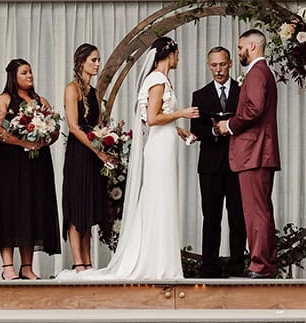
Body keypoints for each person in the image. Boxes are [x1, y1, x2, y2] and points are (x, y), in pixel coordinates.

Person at [75, 36, 200, 281]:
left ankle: (160, 260)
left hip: (163, 144)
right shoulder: (157, 79)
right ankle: (157, 263)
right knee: (159, 199)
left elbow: (152, 119)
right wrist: (182, 113)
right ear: (170, 53)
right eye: (177, 53)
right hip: (159, 151)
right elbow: (153, 118)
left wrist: (178, 129)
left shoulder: (160, 79)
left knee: (160, 200)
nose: (179, 58)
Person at [0, 58, 62, 279]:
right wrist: (22, 142)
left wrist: (45, 137)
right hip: (7, 164)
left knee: (31, 208)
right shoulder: (4, 99)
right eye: (24, 73)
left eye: (30, 72)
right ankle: (7, 267)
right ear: (13, 77)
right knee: (7, 209)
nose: (29, 76)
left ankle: (27, 266)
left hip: (36, 164)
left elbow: (55, 129)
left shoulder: (40, 100)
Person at [217, 28, 280, 278]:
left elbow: (254, 108)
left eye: (241, 47)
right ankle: (264, 263)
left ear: (253, 47)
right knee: (260, 210)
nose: (239, 51)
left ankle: (260, 265)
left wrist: (229, 125)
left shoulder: (256, 73)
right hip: (259, 151)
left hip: (255, 152)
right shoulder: (262, 72)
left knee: (256, 212)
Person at [190, 46, 247, 277]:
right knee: (211, 216)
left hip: (237, 162)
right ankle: (210, 266)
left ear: (230, 64)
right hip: (210, 165)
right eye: (214, 65)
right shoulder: (200, 95)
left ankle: (236, 264)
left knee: (237, 216)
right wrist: (214, 131)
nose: (218, 69)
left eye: (222, 64)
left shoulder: (242, 91)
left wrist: (230, 127)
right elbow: (196, 128)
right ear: (208, 66)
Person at [61, 44, 113, 271]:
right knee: (76, 207)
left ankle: (88, 263)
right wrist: (96, 149)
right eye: (93, 60)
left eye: (98, 60)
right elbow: (73, 126)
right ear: (81, 62)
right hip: (79, 153)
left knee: (89, 206)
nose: (97, 64)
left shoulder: (94, 92)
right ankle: (79, 263)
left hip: (94, 154)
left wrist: (109, 142)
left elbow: (100, 124)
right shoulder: (72, 89)